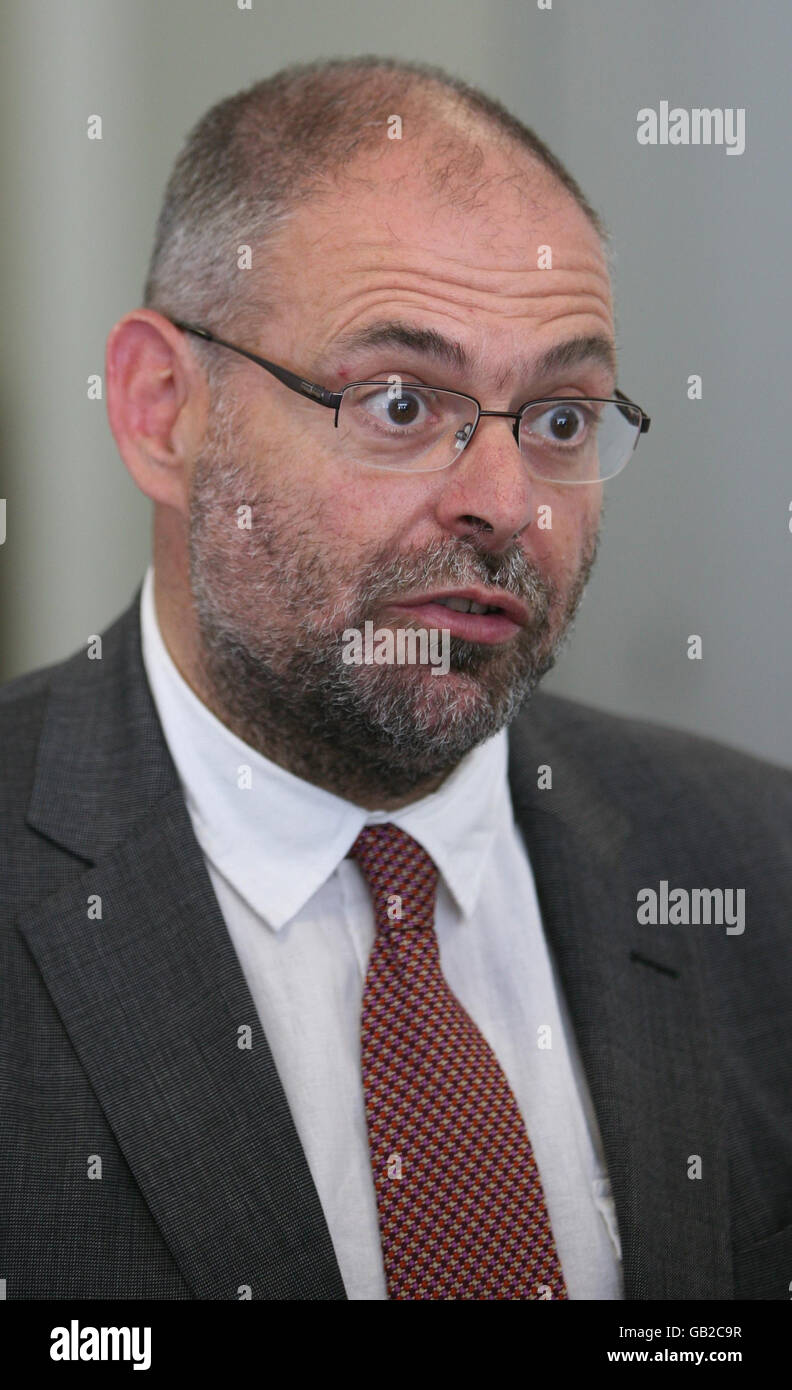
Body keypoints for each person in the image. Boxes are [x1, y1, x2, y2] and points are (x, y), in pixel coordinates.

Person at [1, 55, 790, 1302]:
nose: (504, 503)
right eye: (399, 400)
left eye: (563, 419)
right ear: (163, 411)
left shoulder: (756, 864)